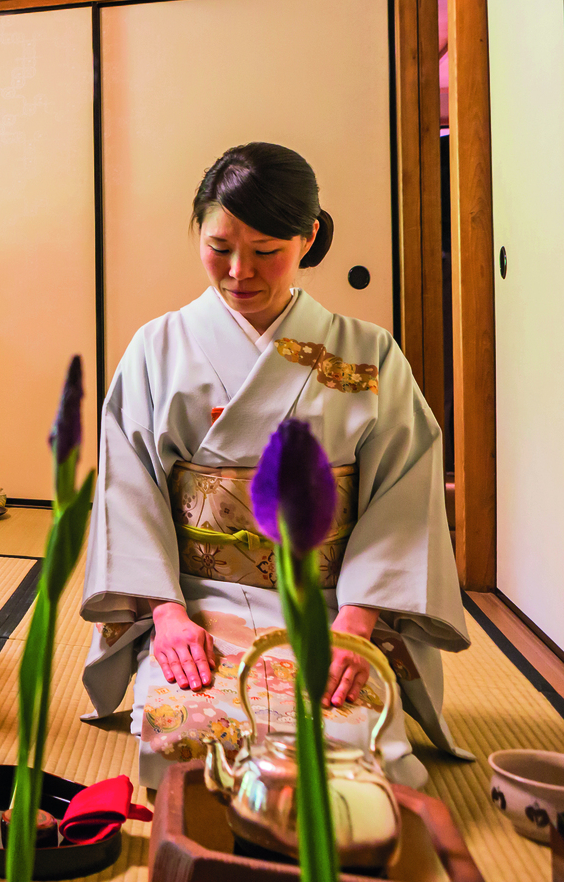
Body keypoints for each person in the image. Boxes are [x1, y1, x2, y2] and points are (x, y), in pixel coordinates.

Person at [82, 142, 470, 787]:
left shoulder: (367, 354)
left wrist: (361, 618)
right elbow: (129, 488)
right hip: (196, 599)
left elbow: (405, 494)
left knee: (362, 757)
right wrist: (167, 615)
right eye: (220, 246)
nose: (240, 271)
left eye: (267, 251)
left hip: (331, 602)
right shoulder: (157, 347)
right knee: (185, 750)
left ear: (308, 237)